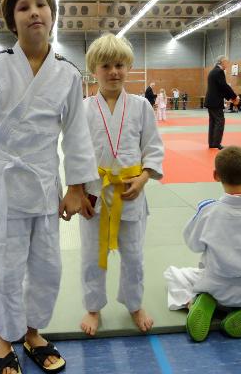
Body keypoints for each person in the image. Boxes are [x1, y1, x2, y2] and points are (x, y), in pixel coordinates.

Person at [0, 0, 98, 374]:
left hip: (43, 185)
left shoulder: (68, 74)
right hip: (1, 187)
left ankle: (33, 331)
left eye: (42, 5)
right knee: (4, 268)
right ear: (13, 19)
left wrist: (77, 187)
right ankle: (4, 338)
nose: (34, 12)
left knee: (46, 267)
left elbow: (76, 133)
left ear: (53, 16)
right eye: (24, 7)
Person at [78, 33, 164, 337]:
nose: (113, 71)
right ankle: (93, 307)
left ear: (128, 67)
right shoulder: (83, 108)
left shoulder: (141, 106)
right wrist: (77, 193)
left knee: (134, 255)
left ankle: (134, 303)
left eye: (119, 65)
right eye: (106, 66)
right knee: (92, 255)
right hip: (93, 193)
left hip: (131, 192)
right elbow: (75, 153)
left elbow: (153, 148)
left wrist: (143, 179)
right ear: (94, 70)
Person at [163, 146, 241, 342]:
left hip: (214, 285)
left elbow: (193, 244)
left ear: (215, 175)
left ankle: (196, 302)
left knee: (173, 273)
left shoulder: (208, 210)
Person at [205, 56, 238, 150]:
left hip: (211, 101)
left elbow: (219, 88)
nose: (227, 64)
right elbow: (224, 86)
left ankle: (212, 143)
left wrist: (230, 98)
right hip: (215, 102)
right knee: (220, 122)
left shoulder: (213, 71)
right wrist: (234, 97)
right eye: (227, 62)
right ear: (222, 62)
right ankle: (216, 143)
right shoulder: (219, 72)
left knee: (213, 122)